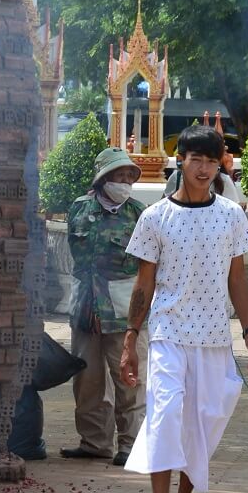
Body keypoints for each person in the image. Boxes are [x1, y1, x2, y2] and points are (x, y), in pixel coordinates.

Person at [121, 124, 248, 493]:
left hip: (215, 335)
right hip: (167, 331)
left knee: (203, 420)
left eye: (211, 160)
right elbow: (143, 283)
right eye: (195, 159)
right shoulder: (155, 217)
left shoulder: (231, 215)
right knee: (165, 413)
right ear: (180, 160)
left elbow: (237, 279)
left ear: (222, 164)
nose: (203, 169)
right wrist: (131, 339)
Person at [61, 149, 146, 465]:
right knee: (88, 381)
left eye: (128, 177)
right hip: (84, 307)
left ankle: (131, 446)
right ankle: (94, 442)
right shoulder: (80, 209)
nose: (124, 182)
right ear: (102, 179)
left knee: (130, 381)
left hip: (124, 311)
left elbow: (150, 265)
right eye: (117, 176)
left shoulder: (139, 213)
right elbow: (79, 257)